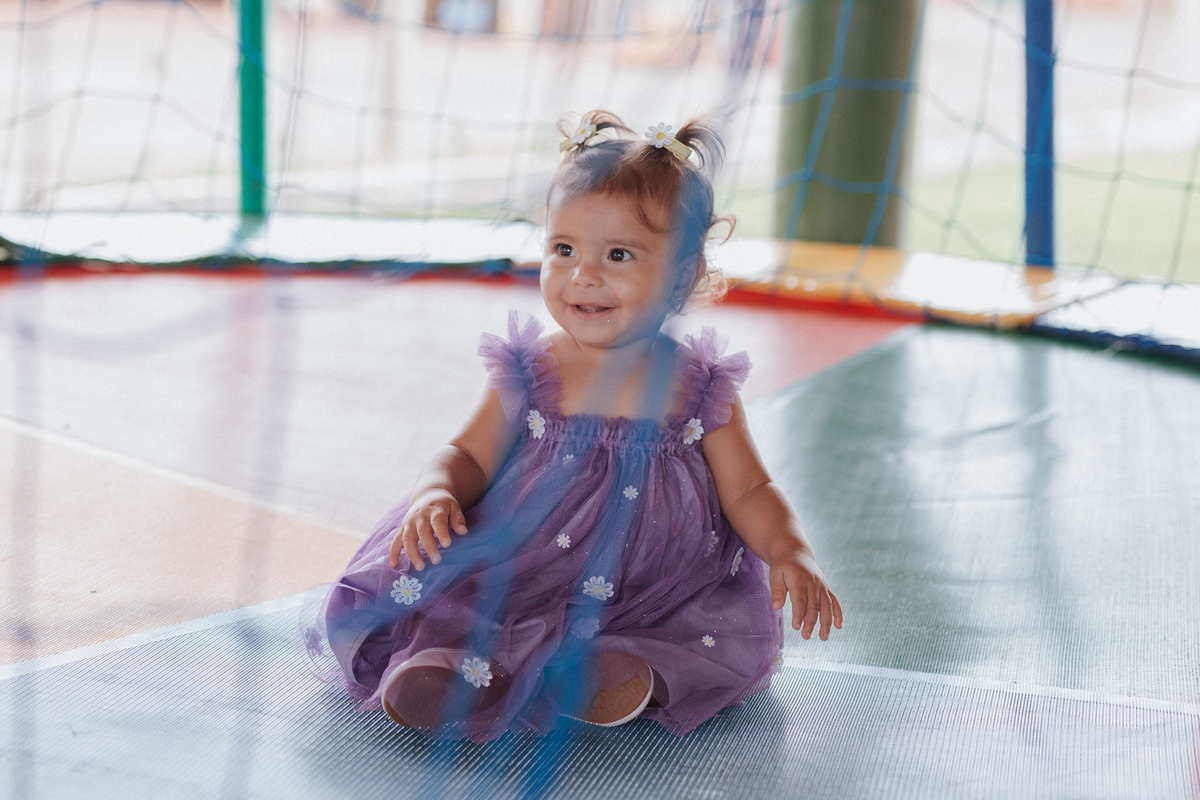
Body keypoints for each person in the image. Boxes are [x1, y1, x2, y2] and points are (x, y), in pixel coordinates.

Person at [306, 110, 842, 743]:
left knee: (686, 636)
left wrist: (789, 550)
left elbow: (750, 490)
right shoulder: (532, 369)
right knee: (466, 605)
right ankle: (452, 667)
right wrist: (436, 491)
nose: (584, 274)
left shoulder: (698, 384)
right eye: (563, 250)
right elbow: (468, 456)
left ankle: (617, 670)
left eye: (618, 254)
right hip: (523, 569)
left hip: (654, 590)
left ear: (684, 276)